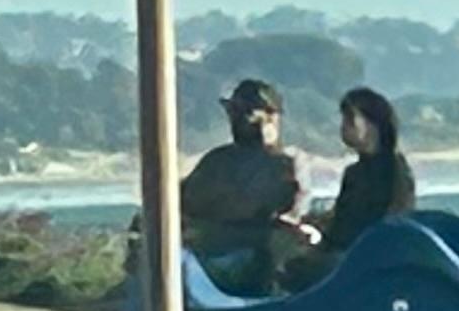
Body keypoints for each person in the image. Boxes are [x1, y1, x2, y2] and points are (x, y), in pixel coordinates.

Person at [176, 78, 318, 292]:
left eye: (249, 115)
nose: (239, 121)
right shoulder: (217, 160)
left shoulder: (287, 164)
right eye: (235, 113)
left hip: (258, 262)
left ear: (273, 119)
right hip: (206, 258)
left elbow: (289, 213)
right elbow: (183, 203)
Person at [318, 87, 417, 257]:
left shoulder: (394, 170)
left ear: (373, 125)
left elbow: (393, 220)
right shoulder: (354, 172)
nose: (343, 128)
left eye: (350, 120)